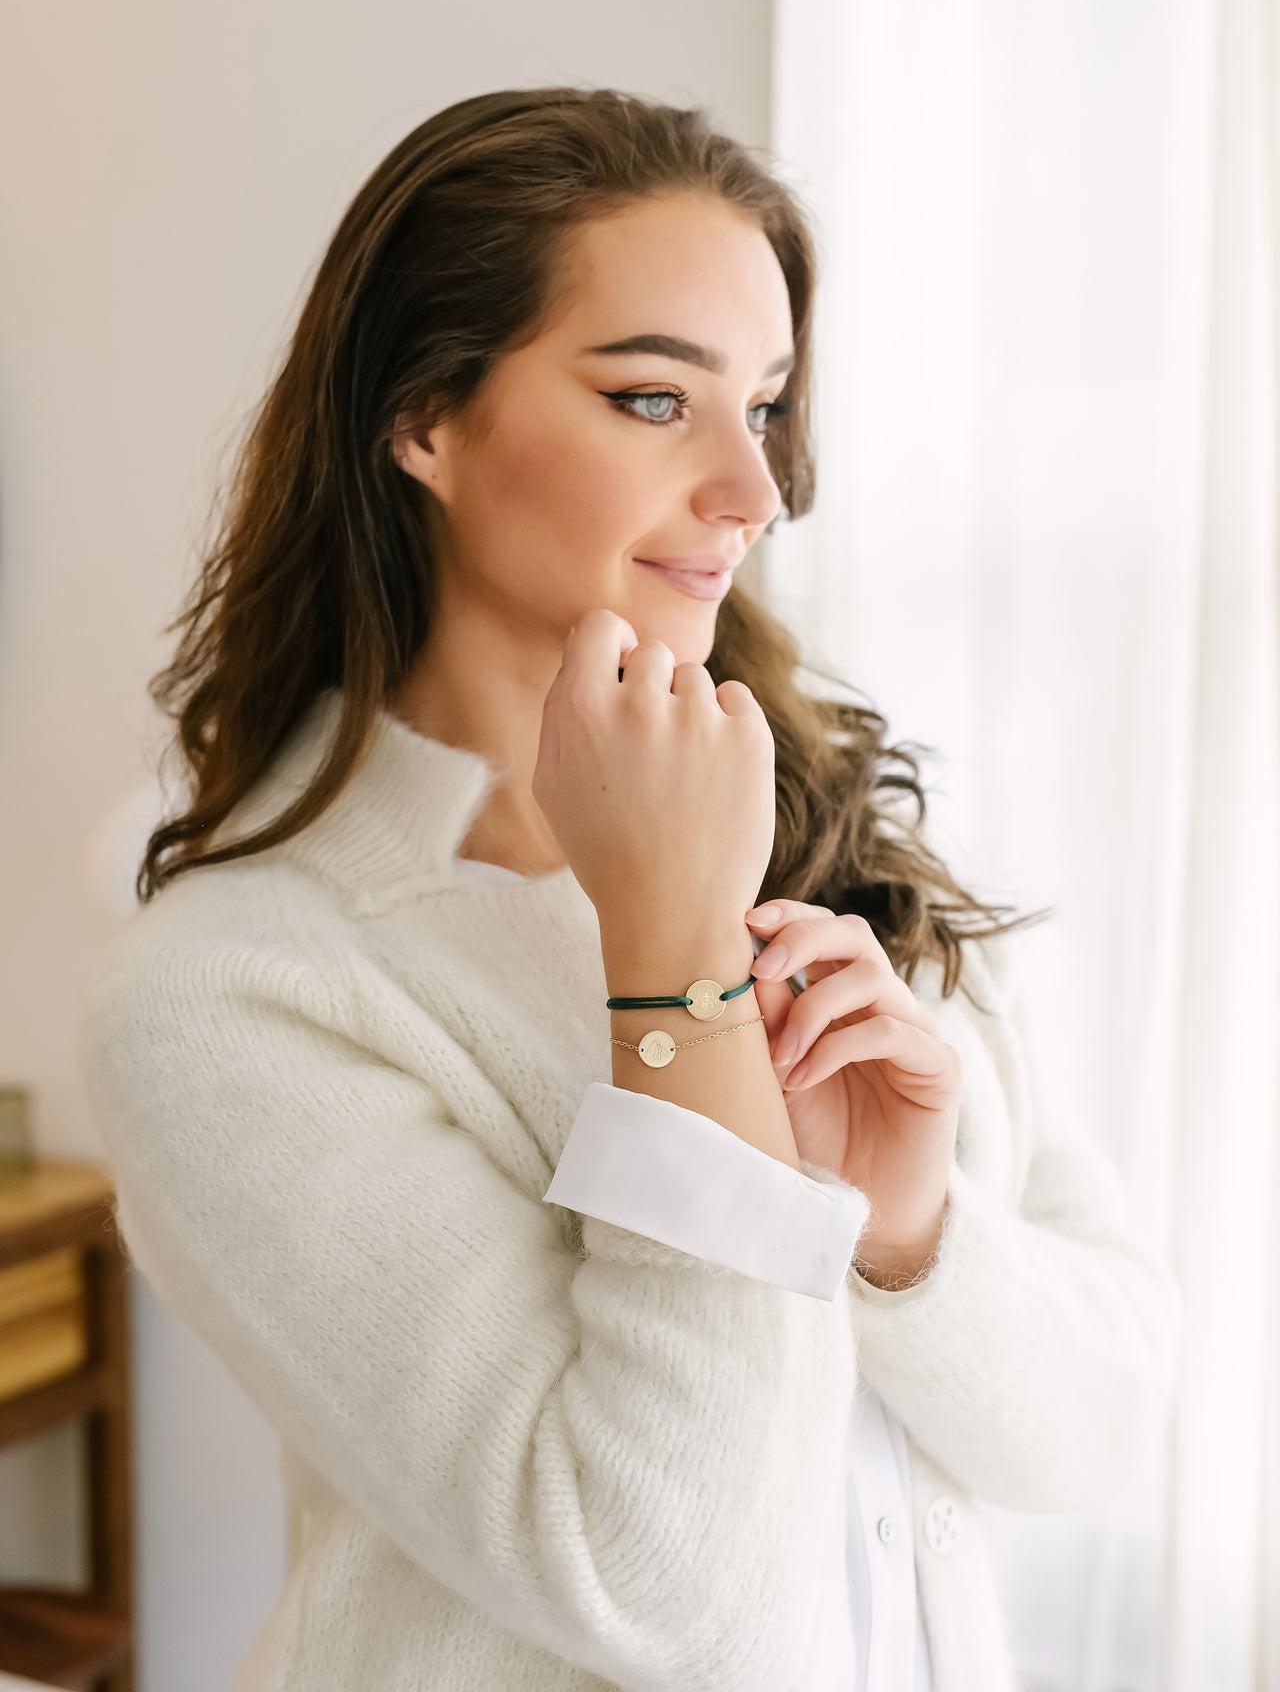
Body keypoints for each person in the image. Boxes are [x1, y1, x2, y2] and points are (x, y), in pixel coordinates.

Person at [76, 87, 1181, 1692]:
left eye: (769, 403)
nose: (758, 487)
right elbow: (662, 1588)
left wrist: (904, 1234)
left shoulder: (828, 826)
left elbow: (1096, 1428)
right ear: (424, 420)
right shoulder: (241, 986)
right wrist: (672, 972)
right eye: (657, 400)